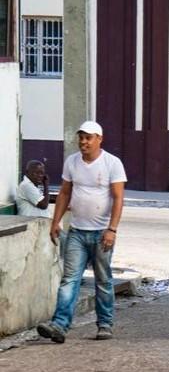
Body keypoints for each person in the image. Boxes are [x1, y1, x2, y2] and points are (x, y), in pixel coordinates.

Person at [37, 121, 127, 344]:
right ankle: (59, 325)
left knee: (103, 280)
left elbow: (118, 198)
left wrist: (112, 229)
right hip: (77, 231)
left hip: (102, 233)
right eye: (81, 138)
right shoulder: (72, 162)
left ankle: (105, 324)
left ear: (99, 139)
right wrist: (55, 221)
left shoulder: (112, 163)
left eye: (88, 138)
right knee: (69, 279)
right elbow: (65, 193)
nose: (83, 142)